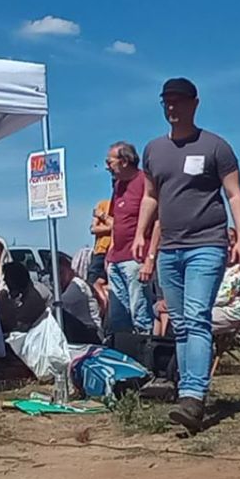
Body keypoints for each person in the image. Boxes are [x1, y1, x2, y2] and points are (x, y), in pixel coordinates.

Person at [133, 78, 240, 432]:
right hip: (169, 249)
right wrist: (141, 235)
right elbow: (150, 196)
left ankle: (193, 396)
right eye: (167, 102)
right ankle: (186, 391)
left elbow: (234, 194)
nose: (172, 107)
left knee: (197, 317)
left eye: (179, 101)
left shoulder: (216, 146)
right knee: (180, 322)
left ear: (194, 104)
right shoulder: (154, 150)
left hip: (207, 244)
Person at [103, 141, 154, 335]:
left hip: (135, 259)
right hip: (116, 259)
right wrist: (110, 250)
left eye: (109, 162)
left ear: (124, 161)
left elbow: (158, 222)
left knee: (140, 313)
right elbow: (117, 220)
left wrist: (149, 259)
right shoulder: (118, 186)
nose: (107, 167)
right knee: (118, 318)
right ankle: (123, 351)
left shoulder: (145, 181)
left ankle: (145, 350)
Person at [89, 199, 114, 285]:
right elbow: (93, 229)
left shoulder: (123, 205)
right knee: (93, 281)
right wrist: (110, 227)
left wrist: (102, 215)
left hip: (115, 251)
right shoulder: (102, 204)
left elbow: (117, 225)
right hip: (100, 250)